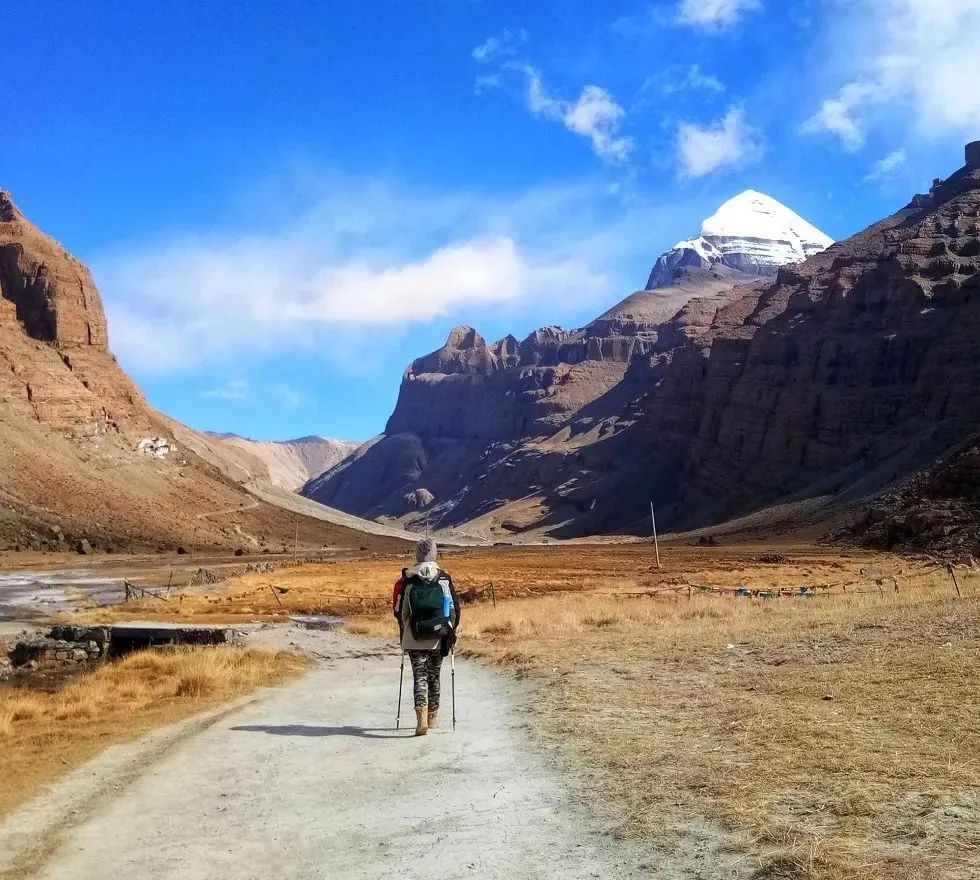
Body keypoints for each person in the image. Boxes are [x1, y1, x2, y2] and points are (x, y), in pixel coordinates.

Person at [392, 538, 460, 736]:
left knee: (419, 676)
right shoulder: (444, 579)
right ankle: (433, 717)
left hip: (414, 636)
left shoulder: (409, 580)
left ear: (417, 554)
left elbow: (400, 611)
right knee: (434, 676)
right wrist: (450, 630)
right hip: (438, 635)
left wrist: (405, 632)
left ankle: (420, 718)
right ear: (435, 554)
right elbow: (454, 610)